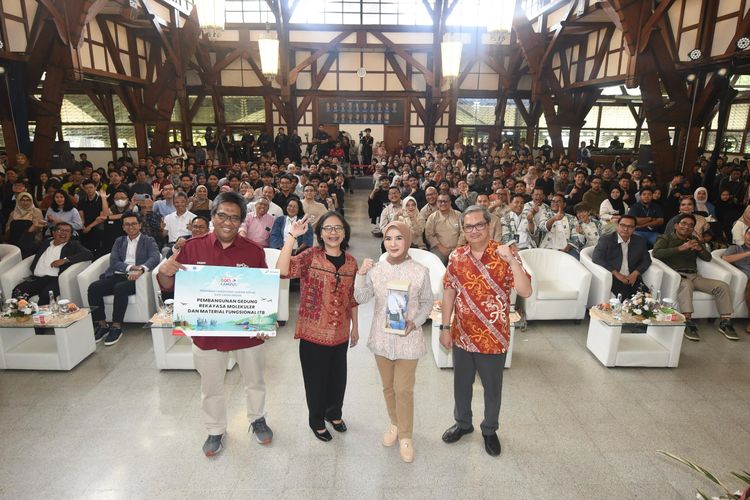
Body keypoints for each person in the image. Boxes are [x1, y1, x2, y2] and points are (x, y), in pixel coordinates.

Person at [156, 191, 275, 457]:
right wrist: (164, 273)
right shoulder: (191, 248)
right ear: (213, 217)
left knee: (254, 380)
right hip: (206, 333)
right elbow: (169, 287)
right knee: (210, 386)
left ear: (241, 222)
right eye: (222, 215)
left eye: (234, 218)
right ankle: (215, 429)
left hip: (247, 334)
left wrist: (265, 321)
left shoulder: (254, 252)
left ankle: (257, 418)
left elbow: (262, 293)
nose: (228, 222)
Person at [440, 205, 531, 457]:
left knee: (492, 388)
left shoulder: (505, 253)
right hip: (463, 334)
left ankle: (489, 430)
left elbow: (525, 291)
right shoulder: (457, 256)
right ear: (463, 229)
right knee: (461, 384)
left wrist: (512, 259)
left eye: (480, 224)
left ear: (489, 225)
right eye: (468, 226)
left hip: (493, 335)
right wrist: (445, 327)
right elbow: (449, 291)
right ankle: (463, 423)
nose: (475, 230)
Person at [276, 211, 359, 442]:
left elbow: (352, 297)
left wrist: (355, 327)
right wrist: (292, 236)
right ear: (320, 233)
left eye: (338, 228)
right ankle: (316, 420)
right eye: (327, 229)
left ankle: (334, 413)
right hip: (313, 332)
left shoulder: (351, 262)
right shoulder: (311, 256)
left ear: (345, 232)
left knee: (338, 377)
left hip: (340, 331)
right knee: (315, 379)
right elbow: (282, 270)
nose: (333, 233)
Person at [354, 221, 433, 463]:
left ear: (407, 240)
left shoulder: (420, 271)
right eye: (389, 238)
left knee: (403, 390)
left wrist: (415, 322)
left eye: (399, 238)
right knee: (388, 388)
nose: (393, 243)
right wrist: (361, 274)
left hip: (408, 340)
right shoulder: (376, 269)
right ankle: (394, 424)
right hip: (381, 338)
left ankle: (406, 435)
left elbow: (428, 303)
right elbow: (360, 297)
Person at [653, 213, 736, 342]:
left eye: (691, 225)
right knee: (687, 285)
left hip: (695, 276)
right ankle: (688, 322)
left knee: (722, 286)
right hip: (677, 276)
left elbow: (707, 258)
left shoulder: (693, 239)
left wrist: (699, 249)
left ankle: (725, 322)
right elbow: (656, 253)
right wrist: (681, 248)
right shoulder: (665, 238)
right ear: (676, 225)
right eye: (684, 224)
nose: (687, 227)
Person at [88, 212, 160, 346]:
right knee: (94, 287)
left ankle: (116, 326)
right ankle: (102, 325)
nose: (130, 227)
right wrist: (131, 267)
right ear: (123, 227)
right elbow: (114, 261)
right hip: (118, 274)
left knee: (120, 288)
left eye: (133, 224)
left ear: (140, 225)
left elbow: (155, 257)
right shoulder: (119, 241)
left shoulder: (148, 240)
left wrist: (141, 269)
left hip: (136, 279)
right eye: (127, 224)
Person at [12, 222, 92, 304]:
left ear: (71, 235)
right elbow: (25, 246)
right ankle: (23, 315)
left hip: (54, 279)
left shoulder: (73, 245)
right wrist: (31, 230)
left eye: (67, 231)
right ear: (53, 232)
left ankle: (42, 316)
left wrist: (65, 260)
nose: (63, 233)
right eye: (60, 230)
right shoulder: (46, 243)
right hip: (36, 279)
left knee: (46, 295)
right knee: (18, 291)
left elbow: (88, 254)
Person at [592, 215, 651, 300]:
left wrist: (635, 273)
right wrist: (616, 274)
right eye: (623, 225)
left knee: (648, 300)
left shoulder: (639, 241)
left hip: (632, 277)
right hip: (614, 277)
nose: (626, 229)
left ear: (634, 228)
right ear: (617, 225)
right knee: (627, 302)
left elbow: (647, 260)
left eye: (630, 226)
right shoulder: (606, 240)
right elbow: (597, 257)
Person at [722, 227, 750, 333]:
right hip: (746, 278)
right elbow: (725, 259)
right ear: (744, 235)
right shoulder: (736, 248)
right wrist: (748, 253)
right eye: (749, 234)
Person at [539, 194, 582, 259]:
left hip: (567, 249)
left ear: (564, 204)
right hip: (548, 248)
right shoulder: (545, 214)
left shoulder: (572, 218)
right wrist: (554, 218)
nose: (555, 203)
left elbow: (576, 236)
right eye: (553, 201)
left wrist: (566, 249)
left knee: (576, 261)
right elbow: (542, 228)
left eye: (558, 201)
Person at [5, 191, 45, 257]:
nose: (25, 203)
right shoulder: (13, 213)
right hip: (14, 241)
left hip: (29, 242)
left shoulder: (36, 211)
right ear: (18, 201)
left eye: (28, 200)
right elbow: (8, 228)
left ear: (31, 201)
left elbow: (39, 229)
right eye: (23, 200)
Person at [424, 193, 461, 264]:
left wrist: (458, 246)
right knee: (435, 263)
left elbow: (463, 232)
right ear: (437, 203)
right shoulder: (432, 217)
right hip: (438, 249)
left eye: (445, 201)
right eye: (440, 201)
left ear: (450, 203)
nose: (443, 203)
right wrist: (440, 247)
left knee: (461, 264)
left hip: (457, 248)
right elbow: (429, 234)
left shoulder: (458, 215)